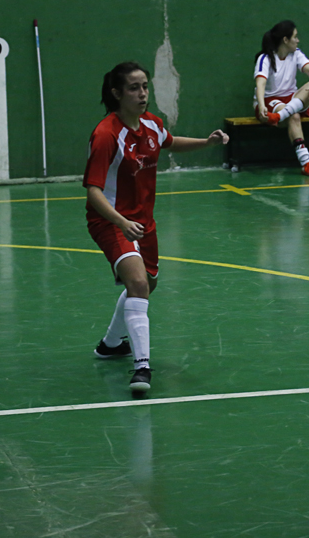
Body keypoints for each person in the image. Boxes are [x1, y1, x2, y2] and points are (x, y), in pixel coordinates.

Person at [84, 61, 229, 393]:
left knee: (148, 284)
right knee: (136, 283)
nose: (142, 94)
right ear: (117, 94)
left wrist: (207, 143)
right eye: (134, 88)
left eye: (145, 86)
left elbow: (170, 141)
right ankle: (142, 367)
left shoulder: (151, 125)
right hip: (111, 219)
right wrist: (121, 221)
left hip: (143, 222)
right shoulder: (106, 134)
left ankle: (110, 344)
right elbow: (93, 191)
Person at [254, 20, 309, 176]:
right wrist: (262, 105)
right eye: (295, 37)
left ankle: (278, 117)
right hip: (269, 101)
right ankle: (307, 163)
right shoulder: (265, 58)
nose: (297, 40)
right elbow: (260, 84)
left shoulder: (296, 54)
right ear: (285, 40)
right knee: (294, 116)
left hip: (291, 100)